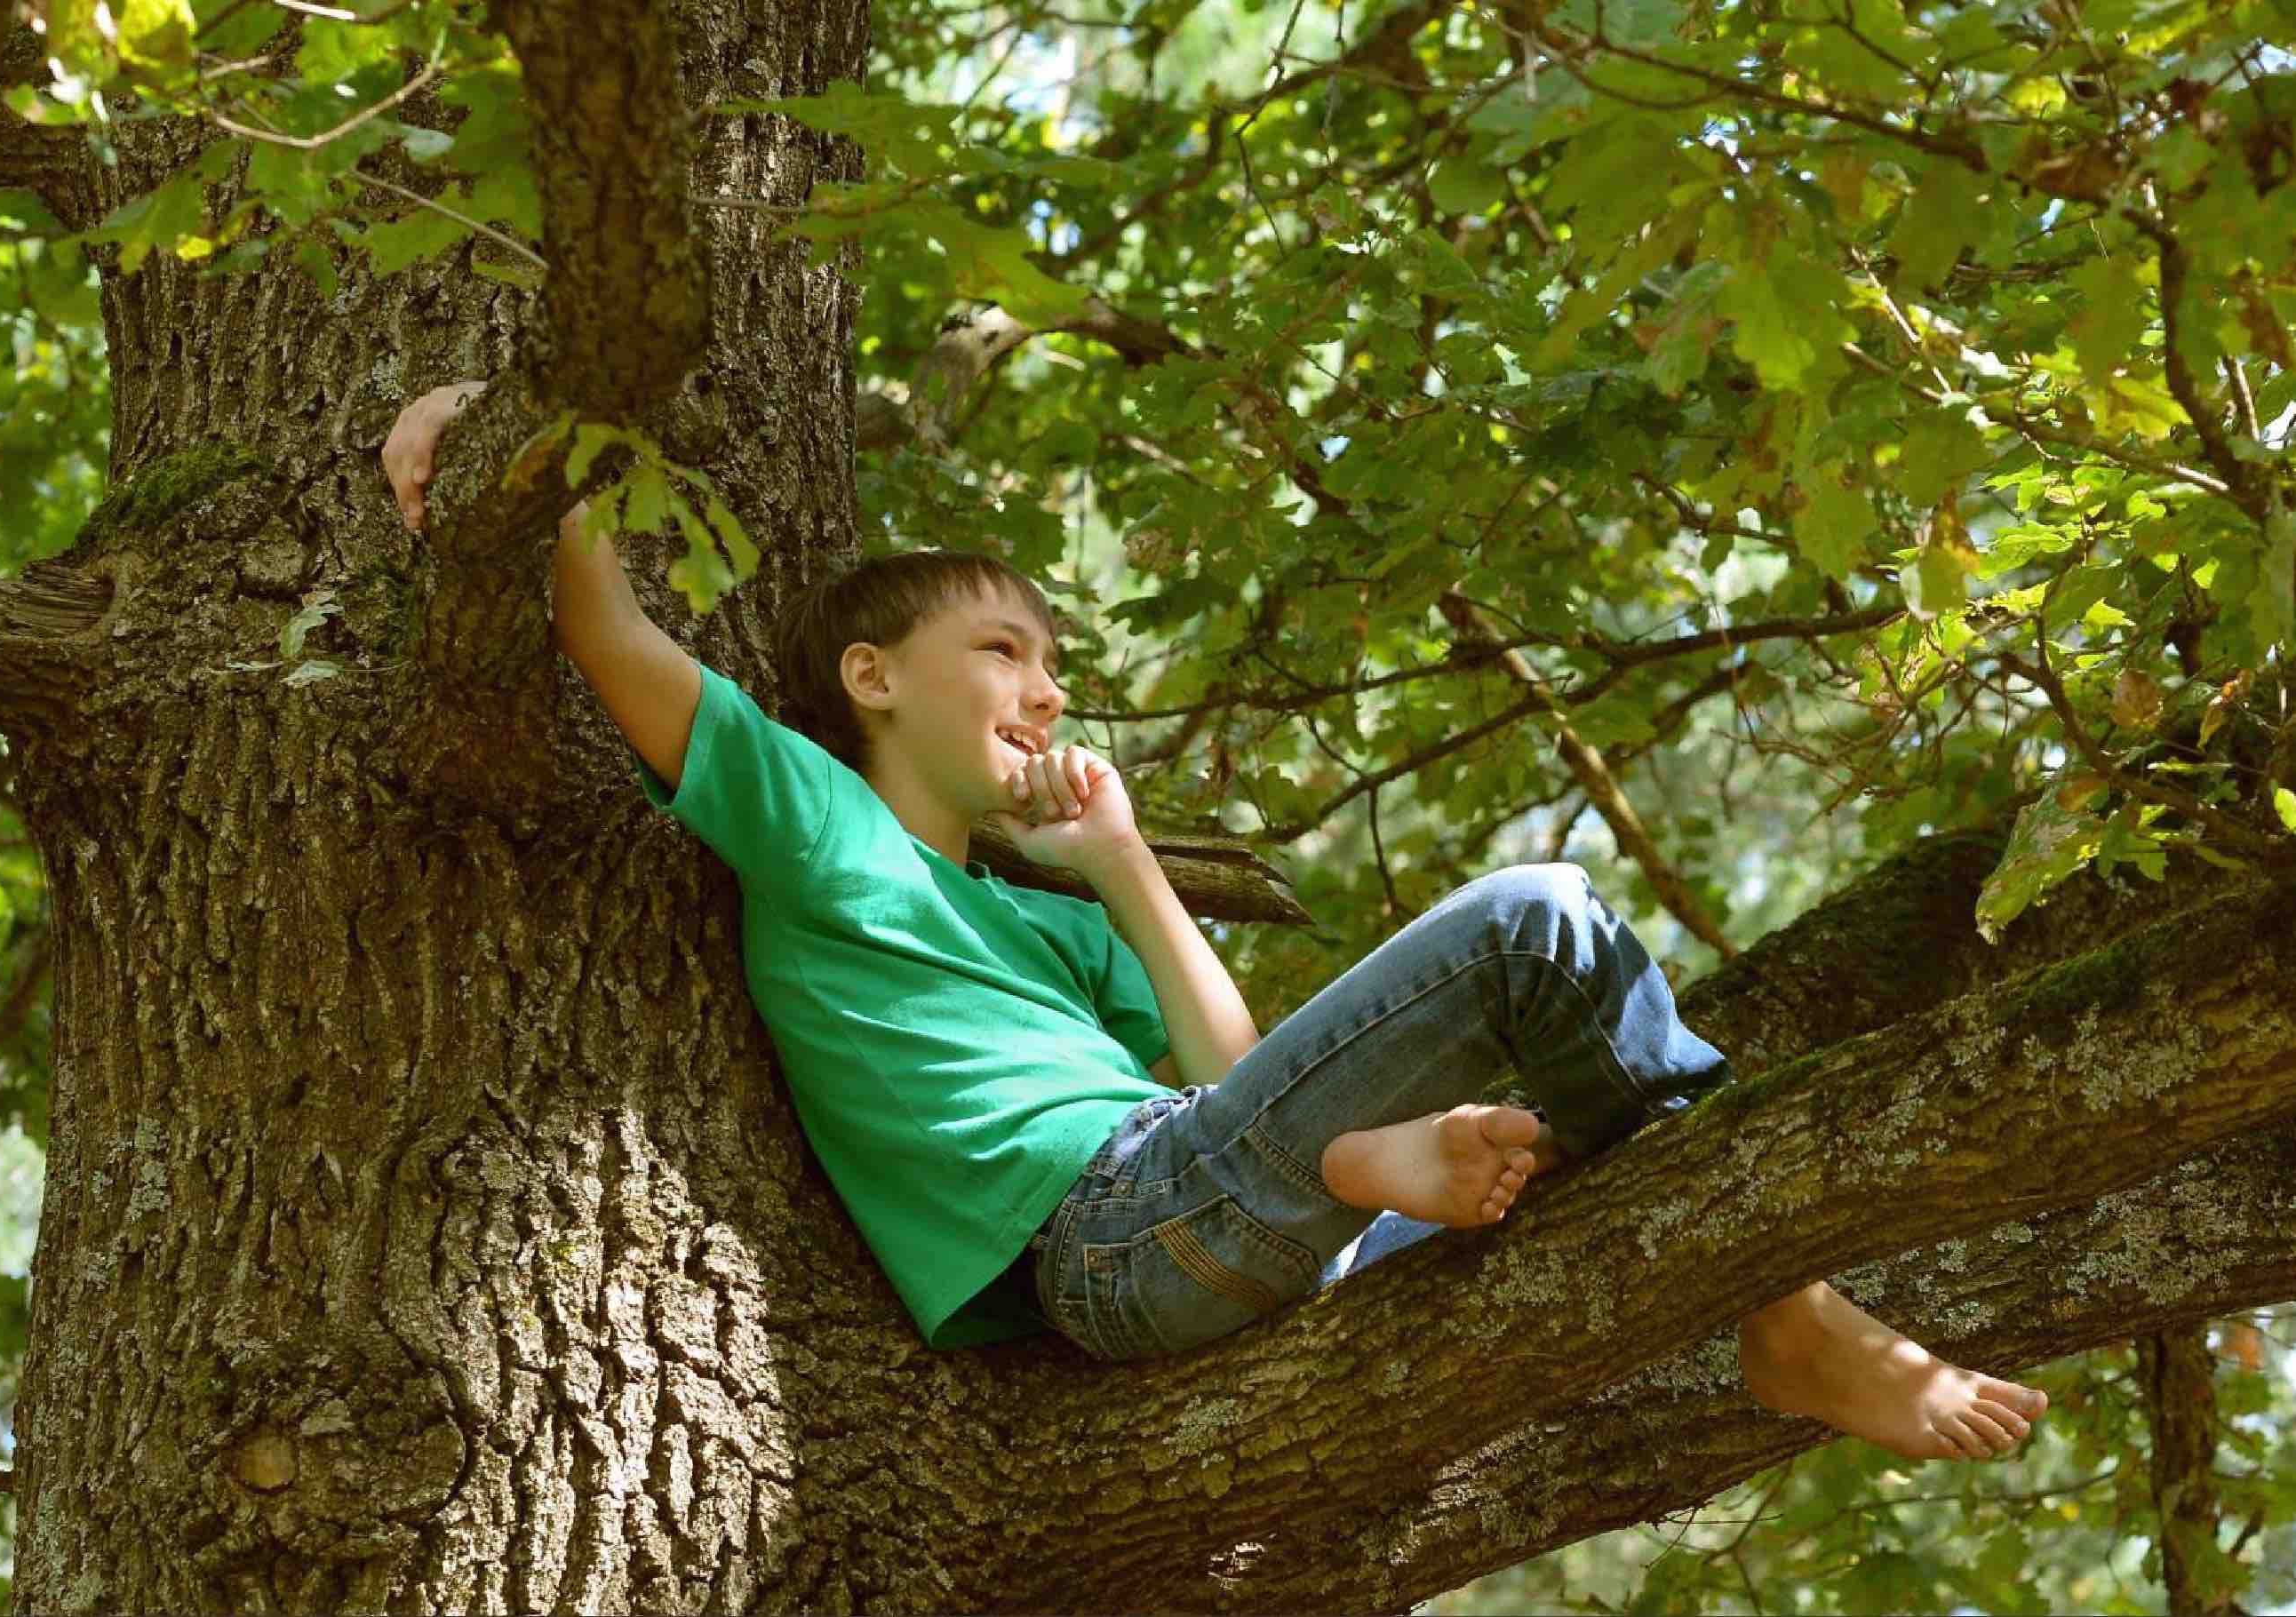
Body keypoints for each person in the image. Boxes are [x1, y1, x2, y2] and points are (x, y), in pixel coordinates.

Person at [383, 383, 2049, 1463]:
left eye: (1052, 663)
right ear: (873, 682)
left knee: (1568, 1129)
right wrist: (501, 435)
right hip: (1100, 1248)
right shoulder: (818, 820)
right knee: (1540, 919)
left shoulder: (1057, 924)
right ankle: (1778, 1308)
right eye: (1002, 653)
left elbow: (1232, 1076)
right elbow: (610, 639)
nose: (1044, 688)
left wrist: (1122, 866)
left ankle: (1381, 1181)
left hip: (1209, 1206)